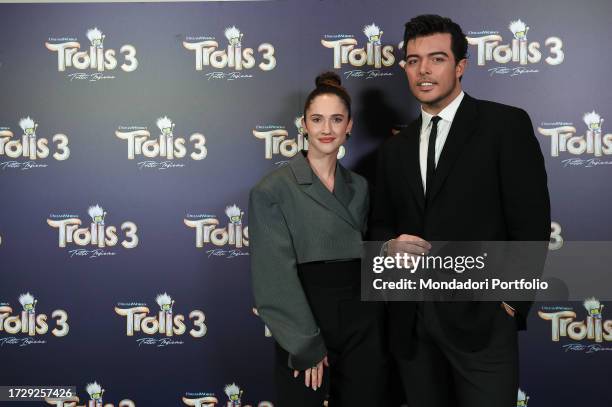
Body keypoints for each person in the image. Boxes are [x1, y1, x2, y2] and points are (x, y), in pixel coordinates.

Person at [370, 14, 550, 407]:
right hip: (412, 328)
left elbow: (531, 223)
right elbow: (380, 222)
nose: (423, 70)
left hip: (482, 324)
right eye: (413, 60)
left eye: (436, 59)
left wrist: (509, 305)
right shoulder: (393, 150)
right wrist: (387, 248)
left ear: (460, 66)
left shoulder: (504, 126)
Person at [249, 72, 389, 406]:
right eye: (317, 119)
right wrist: (304, 344)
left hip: (363, 321)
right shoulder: (272, 190)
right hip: (306, 317)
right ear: (304, 125)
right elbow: (273, 277)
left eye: (336, 119)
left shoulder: (360, 187)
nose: (327, 129)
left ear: (349, 126)